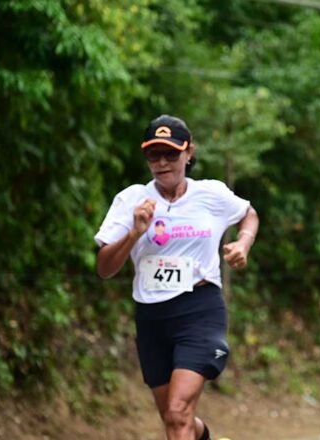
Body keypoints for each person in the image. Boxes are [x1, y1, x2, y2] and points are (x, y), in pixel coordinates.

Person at [95, 115, 258, 440]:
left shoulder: (211, 193)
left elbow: (248, 214)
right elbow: (104, 268)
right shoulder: (131, 200)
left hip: (200, 311)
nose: (162, 162)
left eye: (170, 153)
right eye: (153, 155)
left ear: (189, 152)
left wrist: (243, 243)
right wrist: (134, 233)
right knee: (175, 420)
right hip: (152, 317)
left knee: (177, 411)